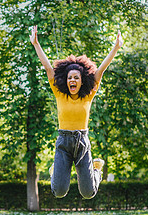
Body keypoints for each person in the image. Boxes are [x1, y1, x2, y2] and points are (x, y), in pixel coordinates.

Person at [30, 25, 123, 199]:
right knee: (59, 192)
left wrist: (116, 47)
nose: (72, 80)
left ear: (82, 81)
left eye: (76, 78)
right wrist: (36, 44)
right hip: (64, 143)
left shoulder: (88, 95)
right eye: (69, 78)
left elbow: (101, 69)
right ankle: (55, 172)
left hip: (82, 143)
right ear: (66, 81)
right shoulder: (59, 93)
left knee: (88, 193)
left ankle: (96, 170)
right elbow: (48, 68)